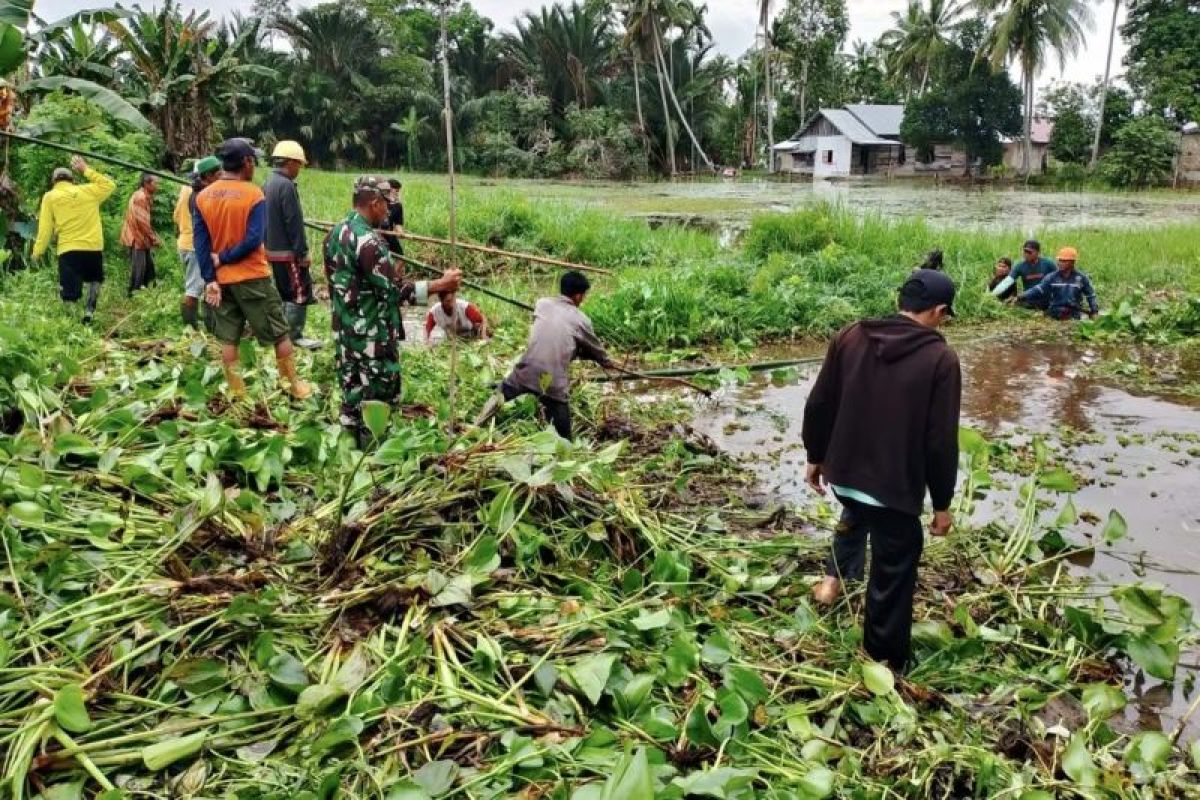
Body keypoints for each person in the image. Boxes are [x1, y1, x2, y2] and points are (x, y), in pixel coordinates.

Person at [802, 269, 961, 673]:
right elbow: (940, 442)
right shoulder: (941, 358)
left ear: (900, 301)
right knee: (895, 563)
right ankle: (883, 662)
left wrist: (815, 455)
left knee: (856, 513)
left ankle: (831, 583)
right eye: (945, 315)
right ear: (939, 311)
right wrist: (942, 504)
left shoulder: (851, 334)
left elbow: (820, 403)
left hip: (845, 478)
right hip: (891, 490)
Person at [323, 175, 461, 442]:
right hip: (372, 336)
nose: (388, 211)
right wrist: (440, 284)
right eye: (386, 205)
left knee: (351, 391)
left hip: (345, 331)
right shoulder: (369, 243)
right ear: (374, 203)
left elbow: (332, 281)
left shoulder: (336, 232)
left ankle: (349, 445)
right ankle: (374, 451)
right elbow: (397, 291)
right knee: (378, 396)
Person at [193, 138, 311, 400]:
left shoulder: (203, 197)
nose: (254, 166)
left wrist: (210, 277)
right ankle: (292, 386)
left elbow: (200, 244)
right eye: (253, 161)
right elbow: (253, 239)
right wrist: (225, 257)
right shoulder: (253, 193)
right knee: (280, 333)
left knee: (228, 339)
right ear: (246, 162)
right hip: (252, 276)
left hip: (221, 282)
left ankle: (237, 393)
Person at [475, 271, 614, 440]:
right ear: (578, 296)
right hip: (552, 382)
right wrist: (607, 362)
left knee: (501, 393)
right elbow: (596, 350)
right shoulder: (581, 320)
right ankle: (565, 453)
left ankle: (475, 425)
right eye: (584, 295)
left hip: (525, 370)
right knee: (563, 435)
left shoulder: (542, 304)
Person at [32, 156, 116, 324]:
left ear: (54, 181)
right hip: (93, 247)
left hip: (68, 249)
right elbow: (110, 185)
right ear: (73, 180)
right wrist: (85, 169)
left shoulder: (50, 197)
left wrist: (37, 252)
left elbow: (45, 229)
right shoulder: (88, 191)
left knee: (69, 289)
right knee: (95, 279)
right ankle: (89, 311)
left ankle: (70, 322)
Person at [263, 140, 320, 349]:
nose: (299, 169)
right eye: (299, 165)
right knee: (299, 291)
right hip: (287, 252)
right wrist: (302, 252)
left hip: (271, 249)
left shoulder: (268, 182)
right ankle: (294, 335)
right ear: (290, 163)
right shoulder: (286, 185)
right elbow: (293, 222)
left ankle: (281, 332)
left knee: (283, 291)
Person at [175, 155, 220, 329]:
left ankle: (210, 326)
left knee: (204, 287)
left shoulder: (185, 191)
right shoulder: (201, 196)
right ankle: (190, 329)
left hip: (185, 243)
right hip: (196, 248)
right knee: (193, 290)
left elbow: (176, 216)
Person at [1017, 246, 1099, 320]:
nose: (1060, 263)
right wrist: (1021, 296)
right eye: (1060, 260)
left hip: (1074, 313)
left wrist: (1094, 311)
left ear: (1072, 262)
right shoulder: (1051, 277)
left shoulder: (1081, 278)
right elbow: (1038, 289)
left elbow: (1090, 295)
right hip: (1055, 311)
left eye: (1064, 261)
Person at [120, 173, 161, 295]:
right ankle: (134, 292)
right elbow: (142, 222)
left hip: (140, 236)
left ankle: (149, 286)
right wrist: (153, 238)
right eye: (155, 183)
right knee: (139, 267)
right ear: (147, 184)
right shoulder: (141, 198)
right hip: (136, 236)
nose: (157, 186)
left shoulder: (143, 195)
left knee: (148, 264)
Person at [424, 291, 489, 343]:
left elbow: (483, 319)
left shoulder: (465, 307)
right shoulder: (434, 312)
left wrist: (484, 335)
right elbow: (427, 330)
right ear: (441, 301)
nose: (452, 304)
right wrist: (427, 342)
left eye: (453, 300)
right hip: (452, 338)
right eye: (448, 301)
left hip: (471, 334)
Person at [1011, 239, 1054, 308]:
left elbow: (1059, 278)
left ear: (1038, 252)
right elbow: (1008, 280)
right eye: (1025, 251)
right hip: (1028, 299)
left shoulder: (1048, 263)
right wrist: (991, 295)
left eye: (1029, 252)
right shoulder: (1020, 265)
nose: (1026, 254)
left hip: (1046, 299)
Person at [381, 178, 405, 255]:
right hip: (376, 235)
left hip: (390, 235)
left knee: (401, 257)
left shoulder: (398, 206)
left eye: (398, 191)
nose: (397, 193)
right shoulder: (379, 202)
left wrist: (400, 232)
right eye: (396, 191)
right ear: (390, 189)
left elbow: (398, 224)